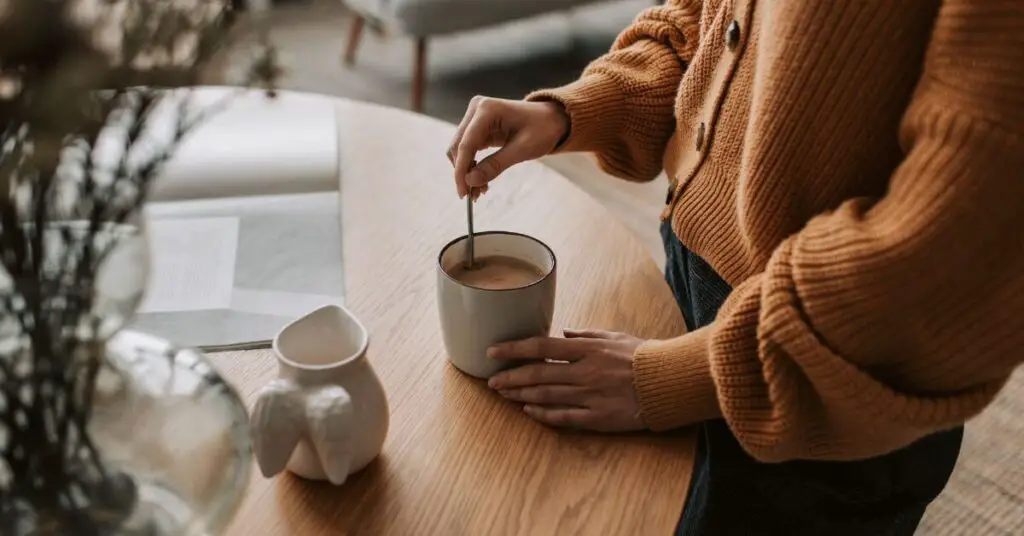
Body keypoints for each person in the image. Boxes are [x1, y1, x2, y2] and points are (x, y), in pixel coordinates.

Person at [446, 0, 1024, 534]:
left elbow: (961, 241)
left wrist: (686, 378)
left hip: (829, 375)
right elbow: (706, 19)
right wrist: (573, 110)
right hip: (691, 281)